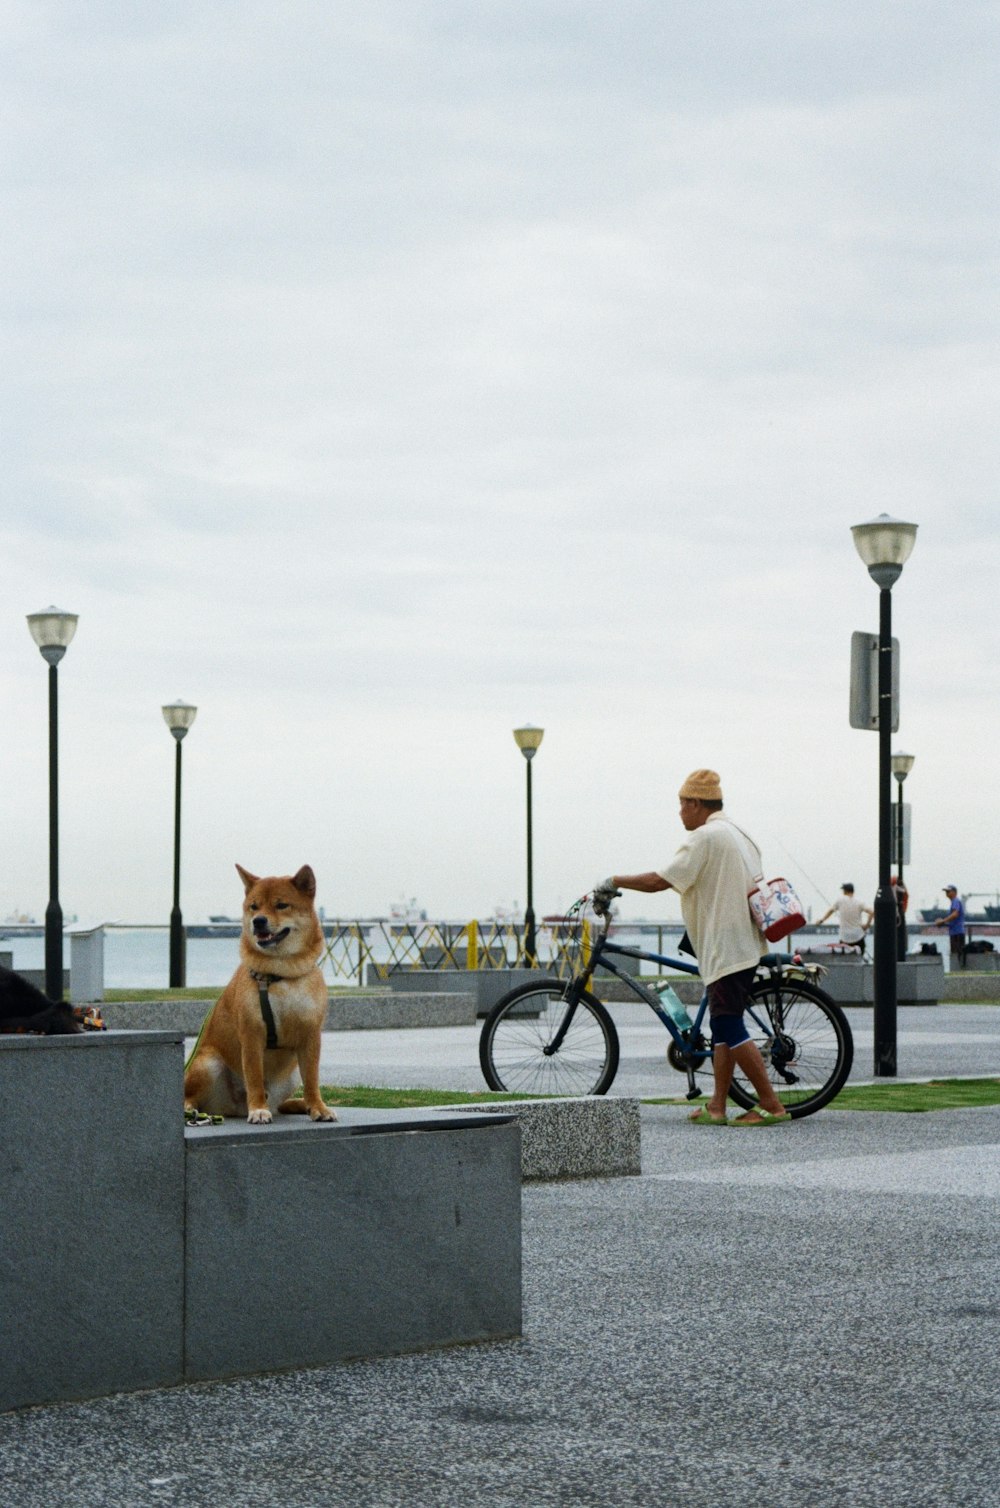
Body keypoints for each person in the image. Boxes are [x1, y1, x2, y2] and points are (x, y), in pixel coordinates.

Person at [592, 768, 789, 1127]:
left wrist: (613, 880)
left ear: (696, 803)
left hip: (725, 944)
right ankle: (717, 1105)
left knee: (728, 1023)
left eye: (682, 805)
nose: (679, 812)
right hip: (742, 940)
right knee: (723, 1022)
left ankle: (772, 1104)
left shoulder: (705, 837)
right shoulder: (739, 833)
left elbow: (658, 881)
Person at [815, 884, 873, 955]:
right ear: (853, 891)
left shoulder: (840, 901)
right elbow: (872, 912)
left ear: (845, 891)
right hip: (858, 936)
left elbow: (831, 911)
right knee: (860, 957)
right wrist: (867, 925)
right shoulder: (859, 902)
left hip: (845, 938)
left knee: (844, 958)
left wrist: (821, 920)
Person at [938, 885, 966, 968]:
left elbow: (955, 914)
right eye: (946, 892)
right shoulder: (954, 902)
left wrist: (943, 921)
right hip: (954, 932)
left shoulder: (955, 901)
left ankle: (958, 970)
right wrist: (943, 923)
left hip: (957, 933)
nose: (946, 893)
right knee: (956, 952)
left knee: (957, 953)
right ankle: (957, 969)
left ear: (954, 892)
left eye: (948, 891)